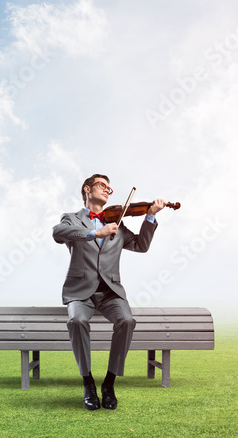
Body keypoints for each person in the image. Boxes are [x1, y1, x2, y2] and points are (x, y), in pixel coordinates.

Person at [52, 173, 164, 410]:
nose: (107, 190)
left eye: (109, 188)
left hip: (111, 291)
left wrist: (150, 217)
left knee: (127, 320)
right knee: (77, 321)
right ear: (87, 189)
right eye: (102, 185)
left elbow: (141, 246)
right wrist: (94, 233)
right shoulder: (71, 219)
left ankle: (109, 383)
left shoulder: (118, 224)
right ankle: (88, 382)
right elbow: (58, 233)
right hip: (80, 291)